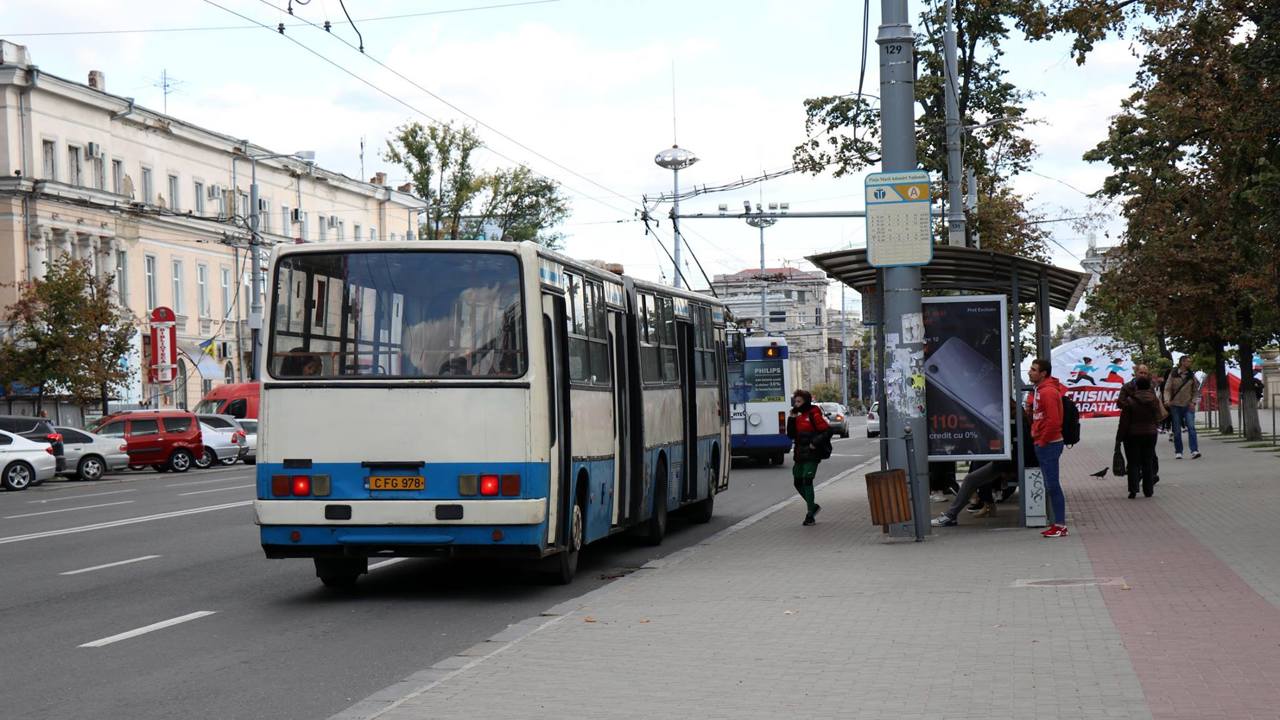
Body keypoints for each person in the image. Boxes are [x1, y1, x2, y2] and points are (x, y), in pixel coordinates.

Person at [1027, 358, 1069, 538]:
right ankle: (1058, 524)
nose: (1030, 372)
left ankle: (1060, 525)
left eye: (1034, 369)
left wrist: (1042, 440)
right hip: (1046, 442)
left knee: (1052, 485)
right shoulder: (1041, 390)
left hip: (1049, 444)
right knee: (1050, 484)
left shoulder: (1048, 392)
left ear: (1043, 373)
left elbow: (1053, 421)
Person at [786, 389, 831, 526]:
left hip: (812, 453)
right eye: (795, 401)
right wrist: (791, 419)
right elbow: (791, 435)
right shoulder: (796, 415)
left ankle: (810, 515)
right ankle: (813, 506)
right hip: (799, 453)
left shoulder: (813, 413)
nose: (796, 404)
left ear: (806, 401)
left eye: (799, 401)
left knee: (807, 480)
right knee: (797, 482)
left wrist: (814, 443)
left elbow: (828, 431)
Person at [1118, 375, 1162, 498]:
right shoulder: (1154, 400)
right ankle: (1148, 490)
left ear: (1136, 387)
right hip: (1150, 434)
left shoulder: (1129, 401)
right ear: (1148, 387)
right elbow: (1158, 416)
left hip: (1132, 435)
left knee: (1133, 462)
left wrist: (1119, 438)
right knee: (1147, 462)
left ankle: (1133, 490)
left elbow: (1124, 422)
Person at [1164, 356, 1201, 460]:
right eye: (1188, 361)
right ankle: (1178, 451)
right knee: (1176, 429)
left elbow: (1195, 390)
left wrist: (1193, 402)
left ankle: (1194, 450)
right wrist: (1167, 400)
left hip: (1188, 405)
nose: (1190, 363)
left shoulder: (1191, 375)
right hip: (1175, 405)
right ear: (1182, 362)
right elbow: (1167, 389)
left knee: (1191, 428)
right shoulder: (1173, 374)